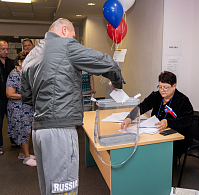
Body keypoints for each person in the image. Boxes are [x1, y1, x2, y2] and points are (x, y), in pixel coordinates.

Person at [20, 18, 125, 195]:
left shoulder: (31, 54)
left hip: (39, 131)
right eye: (73, 35)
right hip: (59, 130)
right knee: (64, 189)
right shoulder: (66, 45)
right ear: (64, 31)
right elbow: (106, 62)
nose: (73, 39)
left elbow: (26, 96)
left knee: (49, 188)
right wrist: (117, 82)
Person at [121, 71, 193, 160]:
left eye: (166, 87)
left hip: (176, 136)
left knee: (157, 152)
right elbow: (143, 106)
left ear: (174, 86)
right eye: (160, 87)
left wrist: (168, 122)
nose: (162, 90)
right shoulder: (156, 96)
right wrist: (129, 117)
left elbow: (188, 120)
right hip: (156, 131)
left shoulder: (182, 100)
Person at [6, 51, 36, 166]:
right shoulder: (14, 74)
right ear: (19, 61)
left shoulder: (27, 73)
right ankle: (27, 158)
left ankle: (22, 153)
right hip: (18, 108)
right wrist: (27, 96)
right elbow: (9, 94)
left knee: (28, 130)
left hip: (28, 107)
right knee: (24, 130)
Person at [0, 40, 15, 155]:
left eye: (7, 49)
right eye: (3, 49)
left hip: (10, 97)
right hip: (0, 98)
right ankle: (0, 145)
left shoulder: (10, 62)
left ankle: (14, 142)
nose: (6, 51)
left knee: (12, 120)